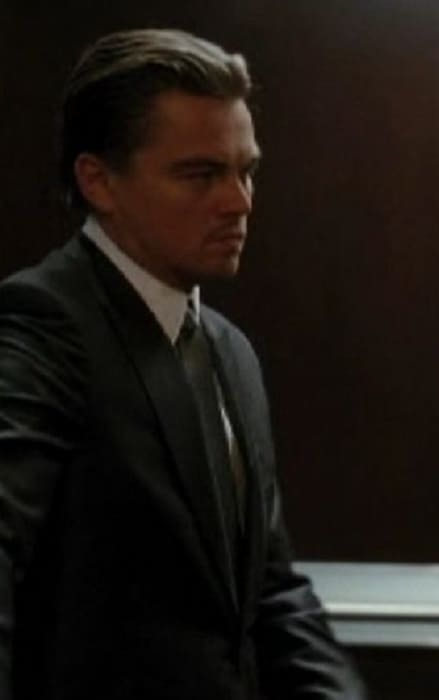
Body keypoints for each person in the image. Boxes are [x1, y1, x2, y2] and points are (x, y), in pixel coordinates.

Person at [0, 28, 366, 699]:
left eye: (246, 171)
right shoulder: (42, 324)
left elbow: (268, 593)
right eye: (201, 175)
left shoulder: (229, 350)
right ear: (98, 181)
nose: (239, 202)